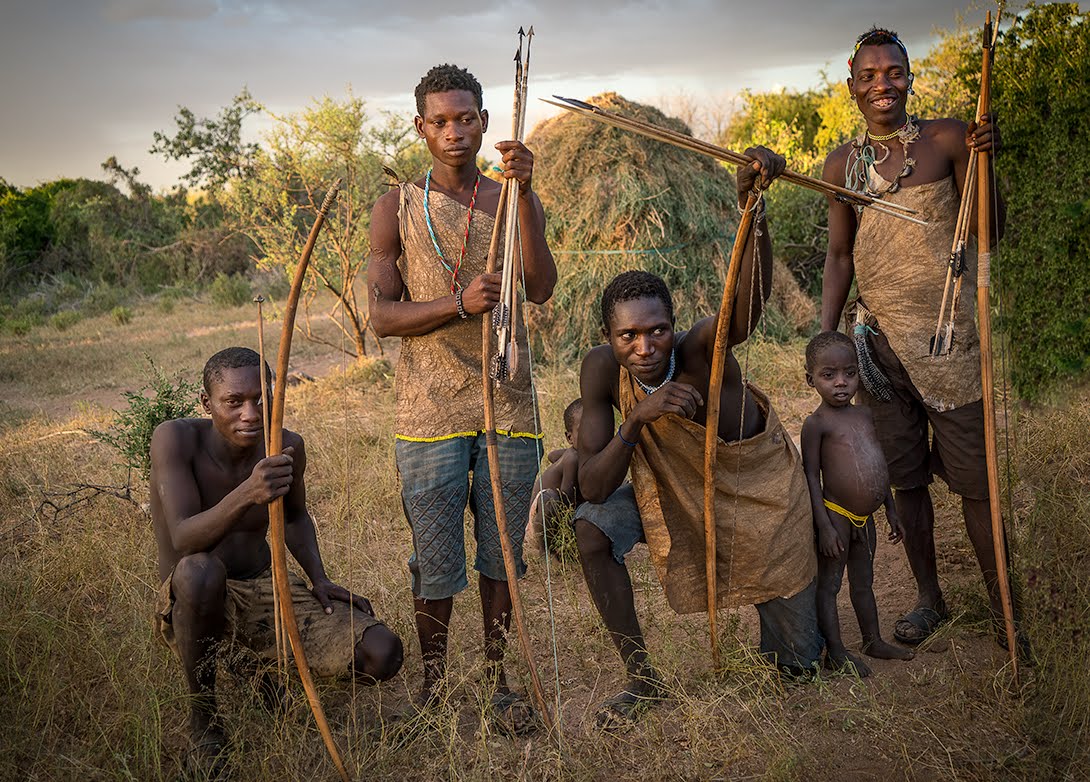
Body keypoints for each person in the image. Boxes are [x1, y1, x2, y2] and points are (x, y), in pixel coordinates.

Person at [575, 147, 822, 729]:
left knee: (797, 666)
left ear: (674, 325)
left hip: (758, 501)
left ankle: (796, 641)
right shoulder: (601, 371)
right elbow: (592, 484)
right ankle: (641, 679)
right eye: (628, 336)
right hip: (672, 494)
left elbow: (746, 308)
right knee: (591, 527)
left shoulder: (701, 351)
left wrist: (752, 212)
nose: (645, 347)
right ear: (608, 336)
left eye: (657, 330)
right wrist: (636, 420)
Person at [367, 63, 556, 734]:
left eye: (467, 118)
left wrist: (525, 195)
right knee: (436, 557)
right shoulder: (395, 207)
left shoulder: (510, 196)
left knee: (502, 555)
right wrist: (458, 303)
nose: (455, 131)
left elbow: (540, 287)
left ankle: (499, 681)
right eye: (441, 121)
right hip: (427, 411)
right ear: (421, 127)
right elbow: (382, 317)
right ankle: (434, 686)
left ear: (484, 121)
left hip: (507, 401)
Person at [820, 27, 1010, 647]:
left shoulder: (950, 139)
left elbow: (988, 231)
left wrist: (986, 163)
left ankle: (1004, 607)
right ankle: (931, 599)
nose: (883, 84)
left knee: (977, 483)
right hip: (878, 350)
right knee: (906, 480)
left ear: (910, 77)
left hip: (950, 344)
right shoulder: (841, 165)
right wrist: (825, 338)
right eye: (869, 75)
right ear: (851, 85)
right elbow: (840, 256)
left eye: (894, 72)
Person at [150, 347, 403, 775]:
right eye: (233, 402)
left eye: (260, 399)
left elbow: (295, 517)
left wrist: (319, 578)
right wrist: (248, 492)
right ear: (206, 403)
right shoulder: (175, 439)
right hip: (195, 594)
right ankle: (204, 720)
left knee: (383, 653)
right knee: (200, 572)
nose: (250, 414)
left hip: (264, 587)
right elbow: (183, 537)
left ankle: (255, 664)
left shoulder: (285, 445)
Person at [800, 331, 913, 676]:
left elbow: (876, 462)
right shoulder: (816, 425)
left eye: (849, 373)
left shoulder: (864, 414)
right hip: (836, 517)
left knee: (864, 582)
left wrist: (891, 508)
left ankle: (872, 640)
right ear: (810, 379)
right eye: (829, 375)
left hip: (868, 517)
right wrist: (823, 526)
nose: (841, 382)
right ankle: (835, 652)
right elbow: (811, 477)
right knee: (830, 586)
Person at [526, 399, 582, 559]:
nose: (591, 433)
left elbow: (552, 455)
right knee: (550, 499)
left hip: (549, 519)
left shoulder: (572, 454)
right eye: (583, 429)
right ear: (570, 438)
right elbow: (566, 501)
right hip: (538, 525)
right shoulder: (573, 458)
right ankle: (547, 553)